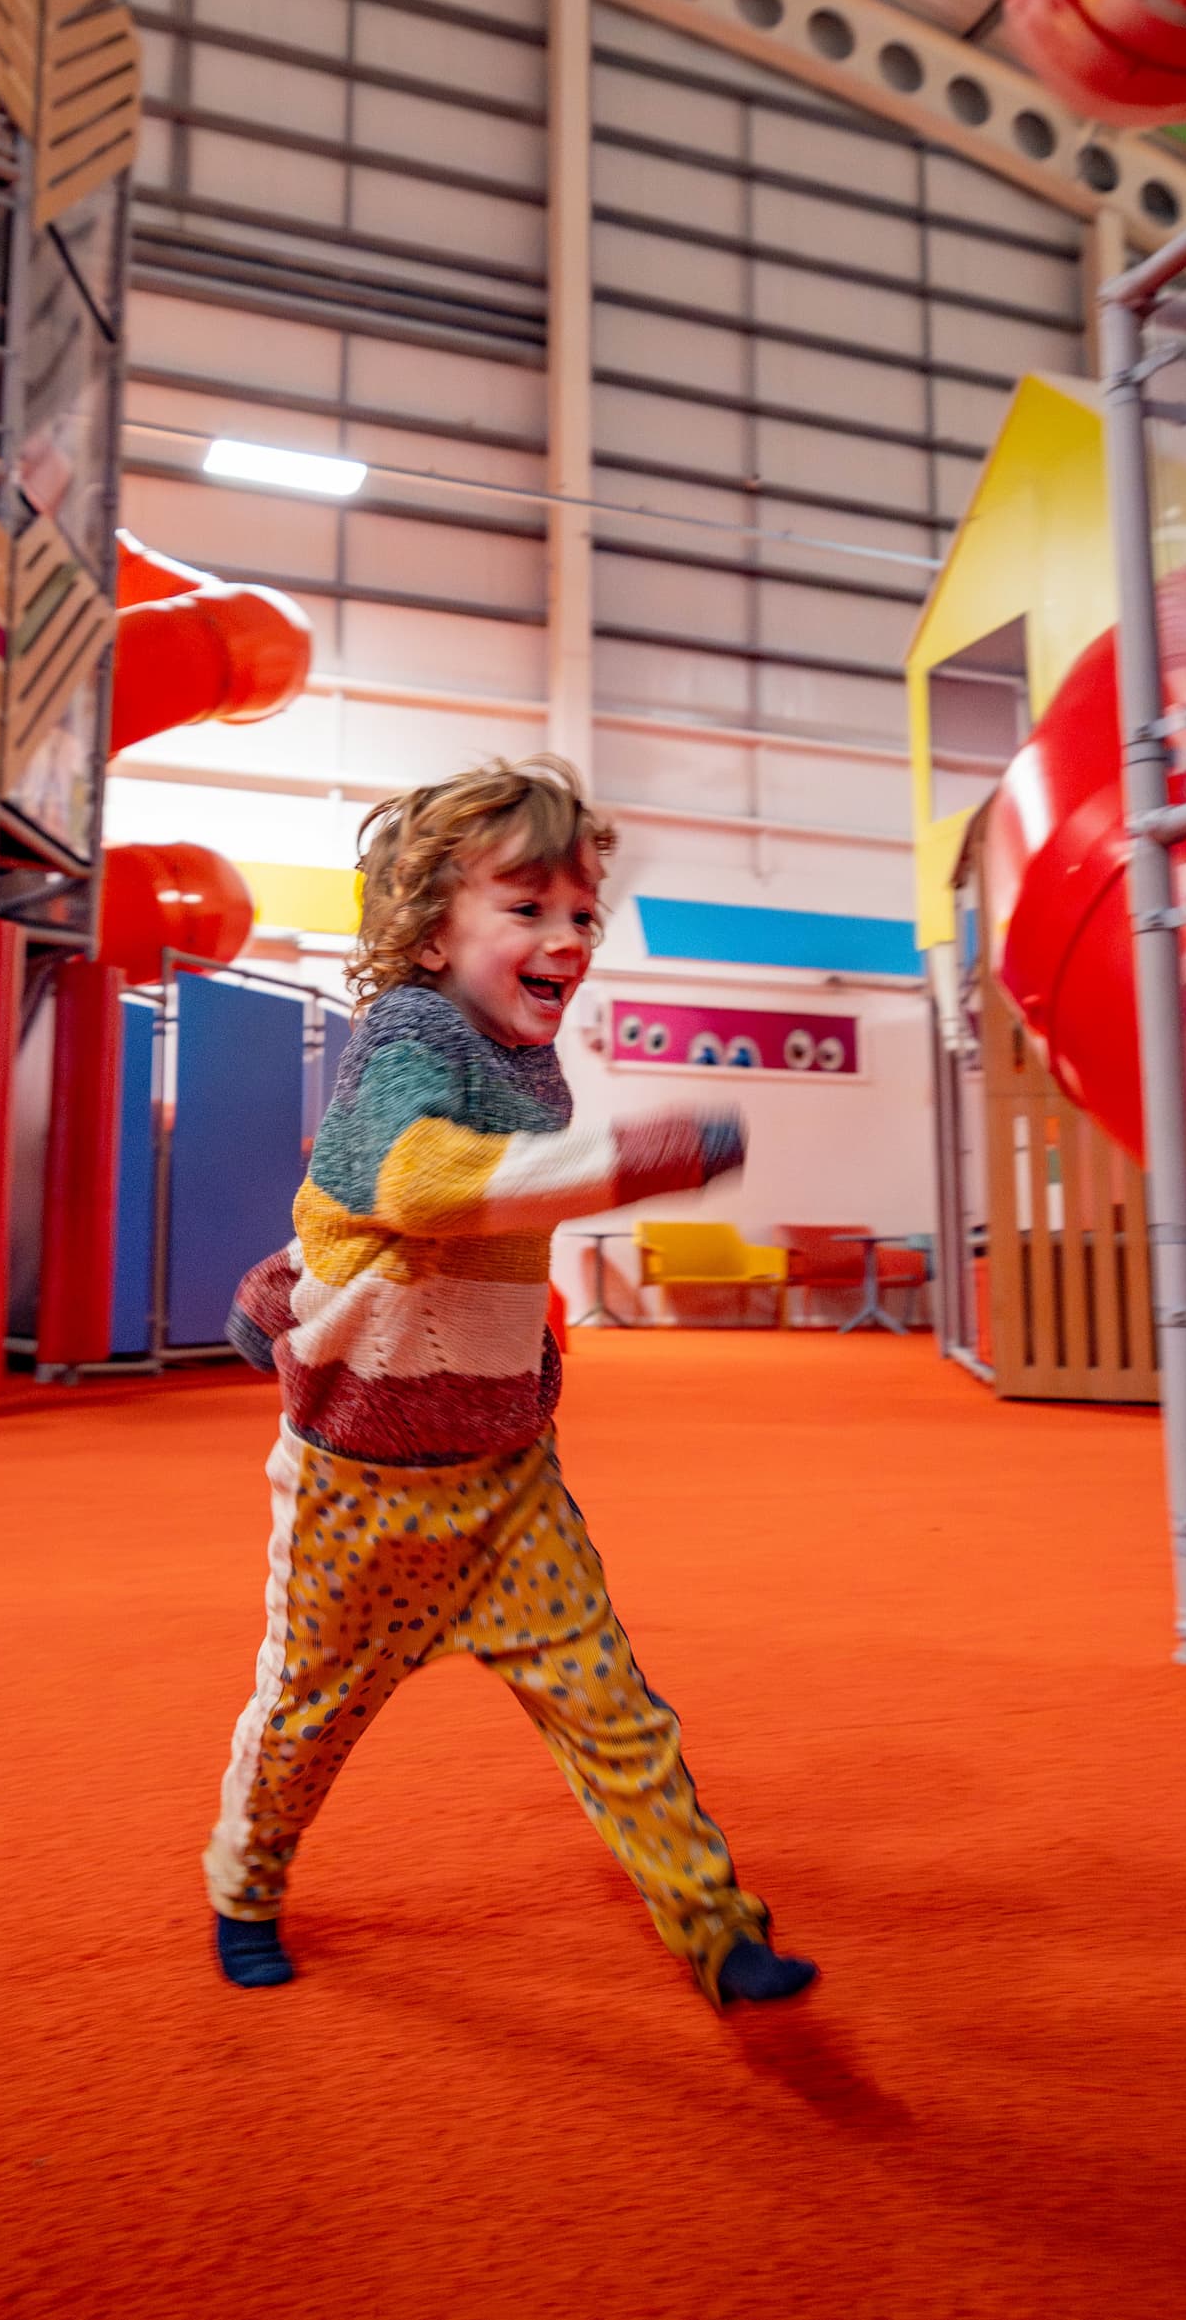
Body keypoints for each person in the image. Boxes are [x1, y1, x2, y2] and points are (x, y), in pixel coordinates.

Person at [206, 757, 817, 2008]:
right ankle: (245, 1880)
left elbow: (453, 1227)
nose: (569, 937)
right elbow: (419, 1184)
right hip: (360, 1499)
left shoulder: (532, 1067)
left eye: (583, 912)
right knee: (306, 1717)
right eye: (528, 907)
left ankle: (716, 1925)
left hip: (504, 1488)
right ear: (433, 933)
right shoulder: (408, 1034)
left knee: (612, 1709)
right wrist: (640, 1156)